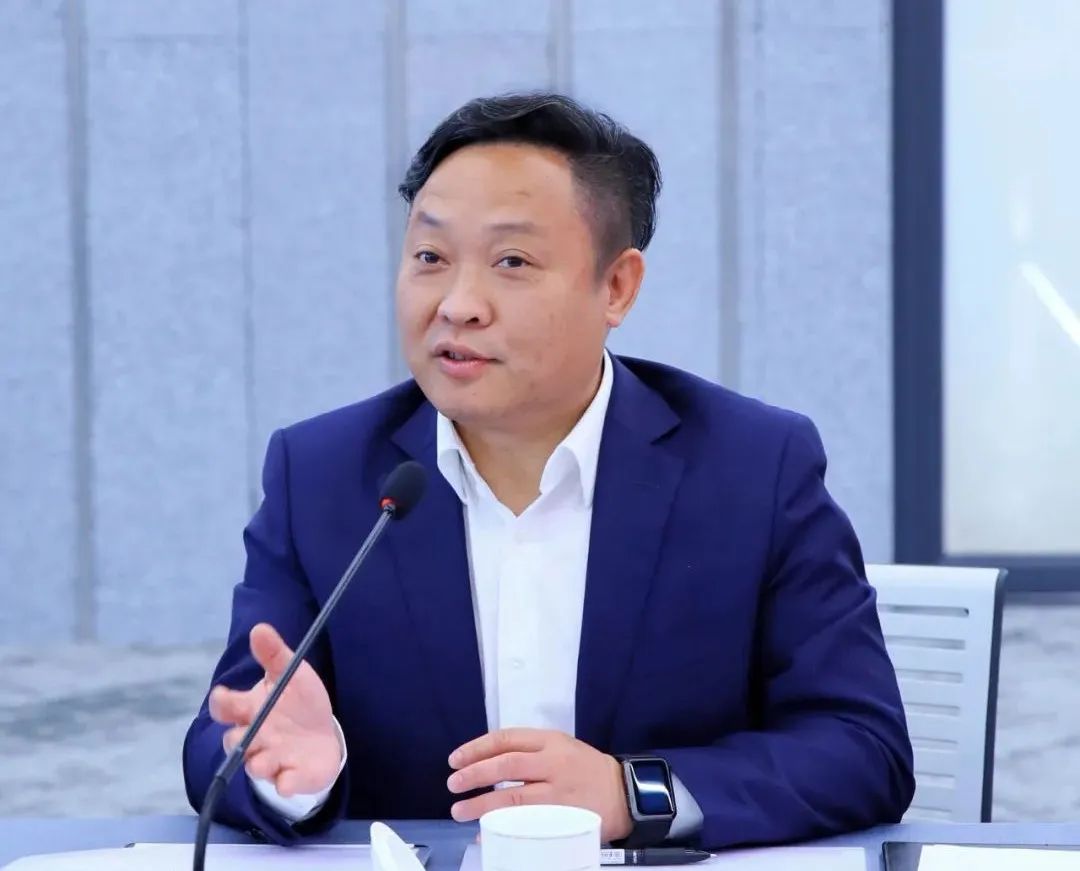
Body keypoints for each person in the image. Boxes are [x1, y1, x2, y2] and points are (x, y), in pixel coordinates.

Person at [183, 92, 914, 849]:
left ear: (616, 288)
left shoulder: (752, 467)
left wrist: (634, 792)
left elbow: (862, 747)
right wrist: (289, 771)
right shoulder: (322, 475)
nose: (459, 305)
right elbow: (223, 736)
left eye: (512, 262)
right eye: (430, 257)